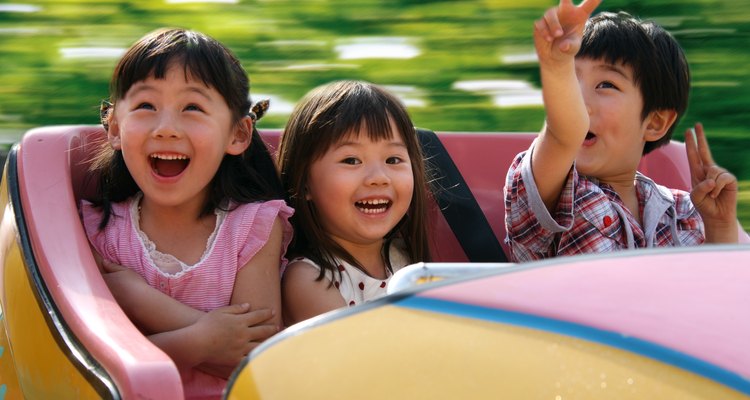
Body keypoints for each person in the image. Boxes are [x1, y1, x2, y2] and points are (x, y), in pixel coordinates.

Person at [81, 28, 293, 399]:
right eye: (146, 106)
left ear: (238, 135)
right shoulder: (96, 231)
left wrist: (140, 301)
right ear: (115, 127)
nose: (166, 129)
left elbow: (256, 353)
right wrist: (203, 339)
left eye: (192, 108)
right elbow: (93, 359)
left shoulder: (254, 227)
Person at [504, 0, 740, 262]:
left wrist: (719, 226)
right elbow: (564, 134)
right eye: (571, 82)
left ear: (654, 123)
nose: (580, 101)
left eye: (606, 84)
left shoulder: (684, 213)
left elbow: (711, 291)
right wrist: (557, 66)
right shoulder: (555, 190)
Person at [278, 80, 431, 326]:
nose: (379, 178)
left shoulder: (402, 258)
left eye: (393, 159)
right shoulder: (309, 279)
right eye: (351, 160)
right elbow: (359, 361)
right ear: (305, 182)